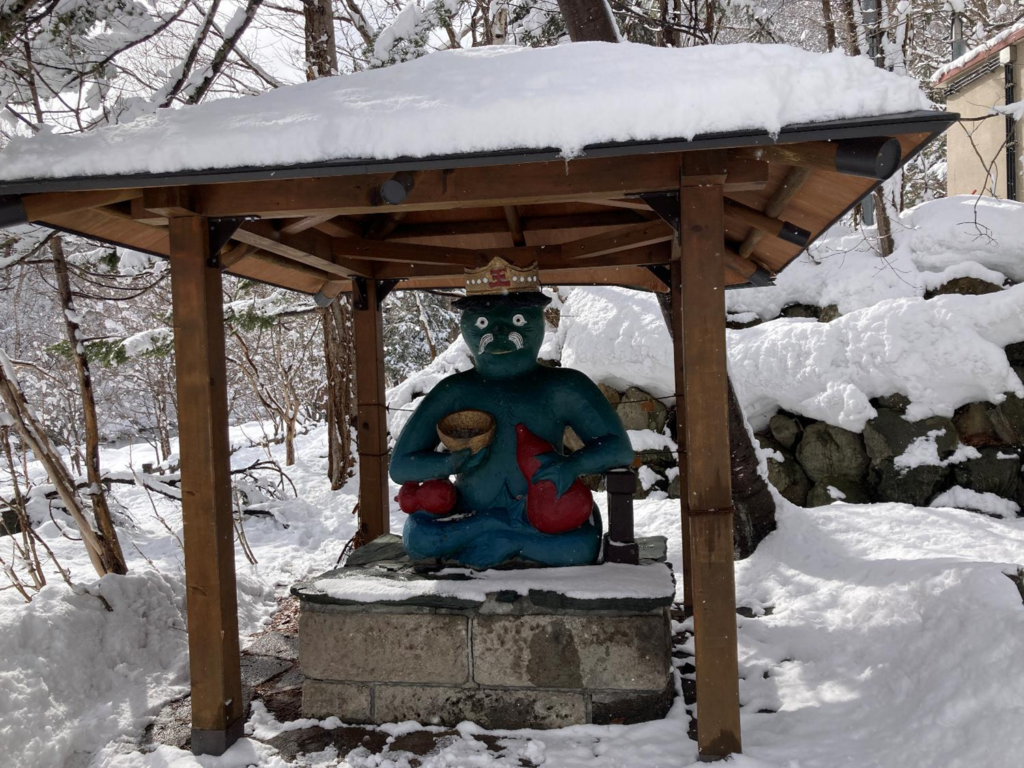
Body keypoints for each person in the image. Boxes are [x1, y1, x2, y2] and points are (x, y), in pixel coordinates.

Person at [389, 258, 633, 569]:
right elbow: (401, 467)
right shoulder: (454, 391)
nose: (500, 332)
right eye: (482, 322)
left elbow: (618, 448)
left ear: (538, 321)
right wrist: (451, 463)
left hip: (542, 513)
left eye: (518, 320)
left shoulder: (562, 386)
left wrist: (572, 466)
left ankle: (508, 539)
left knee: (581, 544)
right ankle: (497, 527)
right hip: (470, 511)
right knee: (418, 538)